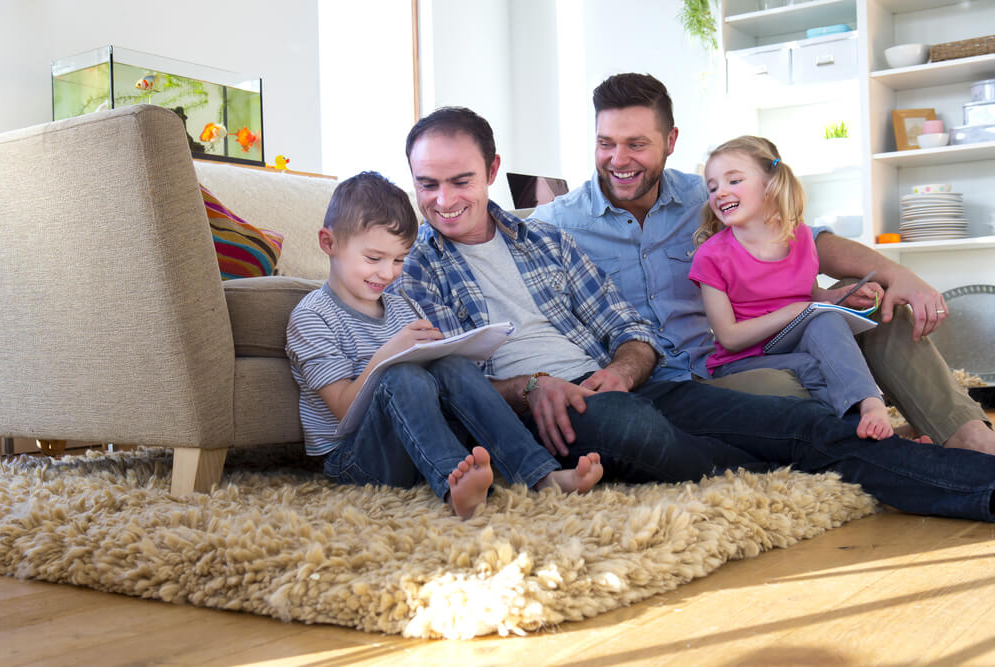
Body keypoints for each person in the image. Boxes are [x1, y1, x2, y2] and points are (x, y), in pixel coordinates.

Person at [395, 104, 995, 523]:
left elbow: (629, 328)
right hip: (573, 409)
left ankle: (977, 483)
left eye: (461, 180)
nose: (444, 200)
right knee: (642, 431)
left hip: (648, 382)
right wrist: (529, 388)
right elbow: (452, 384)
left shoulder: (547, 242)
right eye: (427, 184)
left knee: (810, 428)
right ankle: (783, 462)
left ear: (493, 171)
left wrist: (627, 369)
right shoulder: (415, 269)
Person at [530, 72, 995, 454]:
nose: (618, 160)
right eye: (605, 143)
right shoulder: (556, 223)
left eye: (636, 144)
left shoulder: (709, 196)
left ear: (670, 140)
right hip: (688, 384)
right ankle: (878, 427)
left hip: (740, 352)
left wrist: (900, 275)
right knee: (798, 390)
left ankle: (969, 437)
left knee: (881, 317)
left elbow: (805, 239)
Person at [285, 171, 603, 520]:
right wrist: (390, 353)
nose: (388, 274)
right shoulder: (312, 317)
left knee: (452, 366)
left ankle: (541, 475)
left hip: (414, 441)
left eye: (399, 260)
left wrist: (447, 353)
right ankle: (455, 484)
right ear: (328, 243)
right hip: (354, 461)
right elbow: (344, 412)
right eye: (374, 259)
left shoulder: (400, 306)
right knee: (400, 376)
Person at [689, 135, 892, 440]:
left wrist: (839, 298)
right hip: (742, 360)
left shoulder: (801, 238)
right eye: (713, 186)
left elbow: (808, 297)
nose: (720, 193)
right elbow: (729, 338)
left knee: (827, 320)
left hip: (793, 338)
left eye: (734, 180)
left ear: (769, 185)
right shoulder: (712, 255)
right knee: (813, 366)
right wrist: (797, 311)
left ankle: (872, 405)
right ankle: (864, 437)